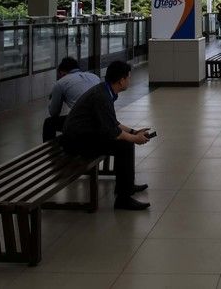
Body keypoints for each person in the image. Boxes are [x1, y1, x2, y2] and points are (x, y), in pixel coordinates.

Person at [61, 61, 152, 210]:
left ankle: (127, 187)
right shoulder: (102, 96)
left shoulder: (106, 91)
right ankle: (123, 199)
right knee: (124, 145)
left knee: (126, 142)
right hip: (76, 142)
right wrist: (135, 139)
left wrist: (133, 132)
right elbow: (112, 132)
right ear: (121, 80)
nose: (130, 80)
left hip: (86, 135)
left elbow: (112, 123)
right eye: (128, 77)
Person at [42, 57, 100, 142]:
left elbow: (54, 113)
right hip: (101, 120)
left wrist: (54, 96)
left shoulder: (61, 83)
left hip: (84, 125)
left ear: (61, 72)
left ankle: (49, 151)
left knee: (49, 123)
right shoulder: (94, 77)